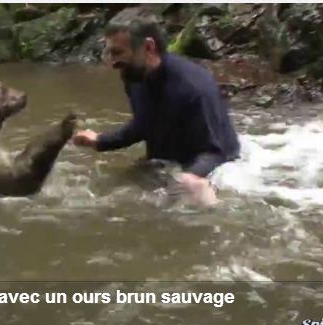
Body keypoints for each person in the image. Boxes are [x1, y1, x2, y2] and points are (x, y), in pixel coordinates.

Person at [71, 9, 240, 206]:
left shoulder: (195, 88)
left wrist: (192, 177)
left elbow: (216, 151)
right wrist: (101, 141)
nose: (112, 62)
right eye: (109, 52)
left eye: (117, 53)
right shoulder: (134, 77)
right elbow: (145, 124)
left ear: (148, 47)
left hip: (220, 170)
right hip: (166, 165)